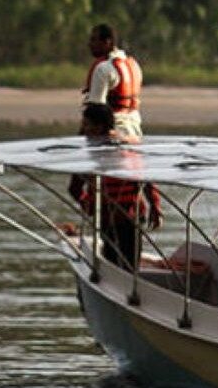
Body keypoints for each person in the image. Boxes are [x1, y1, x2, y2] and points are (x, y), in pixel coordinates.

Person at [66, 104, 161, 271]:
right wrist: (155, 206)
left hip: (113, 214)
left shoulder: (89, 153)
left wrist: (88, 206)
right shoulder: (130, 146)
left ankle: (122, 282)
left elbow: (75, 188)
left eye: (87, 124)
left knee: (114, 261)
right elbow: (145, 179)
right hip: (130, 213)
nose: (84, 129)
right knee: (129, 262)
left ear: (99, 126)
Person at [83, 23, 143, 143]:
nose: (89, 44)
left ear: (107, 42)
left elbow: (95, 112)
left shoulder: (103, 68)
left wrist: (82, 135)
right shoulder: (135, 65)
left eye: (94, 40)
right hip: (135, 132)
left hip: (114, 134)